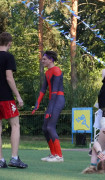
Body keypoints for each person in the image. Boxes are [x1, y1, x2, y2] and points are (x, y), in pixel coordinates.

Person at [0, 32, 28, 168]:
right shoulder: (8, 57)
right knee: (15, 125)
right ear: (9, 42)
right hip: (5, 98)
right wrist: (18, 96)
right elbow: (9, 78)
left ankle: (0, 160)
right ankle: (14, 158)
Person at [32, 51, 65, 162]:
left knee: (50, 127)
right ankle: (53, 154)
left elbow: (55, 92)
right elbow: (43, 90)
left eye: (44, 59)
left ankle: (59, 156)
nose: (42, 61)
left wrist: (50, 108)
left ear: (51, 60)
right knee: (45, 129)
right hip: (53, 100)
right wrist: (37, 104)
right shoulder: (47, 73)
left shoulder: (56, 70)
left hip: (58, 100)